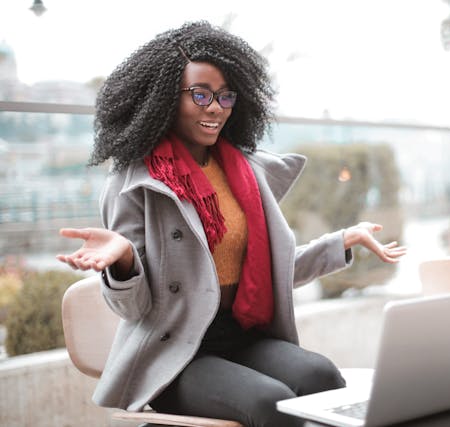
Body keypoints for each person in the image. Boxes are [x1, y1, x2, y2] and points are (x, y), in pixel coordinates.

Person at [55, 22, 406, 427]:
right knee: (272, 403)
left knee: (322, 377)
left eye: (224, 96)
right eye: (200, 94)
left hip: (241, 335)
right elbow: (135, 308)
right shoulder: (134, 184)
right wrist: (123, 263)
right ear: (165, 99)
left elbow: (269, 273)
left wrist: (341, 241)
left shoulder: (244, 172)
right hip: (178, 352)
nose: (215, 107)